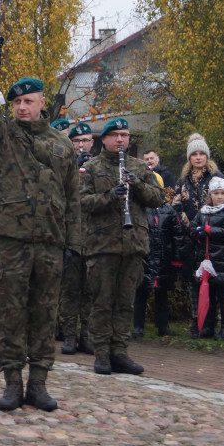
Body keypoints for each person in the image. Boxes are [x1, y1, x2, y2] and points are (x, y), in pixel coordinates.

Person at [0, 38, 81, 412]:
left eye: (27, 101)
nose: (20, 107)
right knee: (12, 313)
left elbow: (73, 199)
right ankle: (13, 382)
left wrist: (74, 243)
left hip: (50, 243)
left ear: (41, 103)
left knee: (45, 315)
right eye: (16, 102)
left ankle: (39, 383)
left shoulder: (63, 146)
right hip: (13, 241)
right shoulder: (2, 135)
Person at [81, 117, 165, 373]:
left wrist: (136, 184)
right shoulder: (92, 167)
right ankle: (102, 354)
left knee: (125, 302)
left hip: (133, 244)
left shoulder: (140, 167)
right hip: (103, 245)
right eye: (115, 135)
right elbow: (82, 201)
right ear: (104, 139)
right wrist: (109, 196)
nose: (120, 139)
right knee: (103, 301)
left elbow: (158, 199)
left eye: (124, 135)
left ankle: (120, 352)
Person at [173, 133, 224, 335]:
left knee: (213, 280)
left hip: (212, 236)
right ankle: (197, 320)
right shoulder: (183, 180)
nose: (198, 157)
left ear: (207, 156)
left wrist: (204, 226)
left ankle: (212, 322)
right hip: (190, 238)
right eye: (194, 153)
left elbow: (222, 204)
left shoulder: (216, 178)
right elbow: (176, 205)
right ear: (189, 157)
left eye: (201, 153)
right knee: (193, 281)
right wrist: (189, 227)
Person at [60, 123, 95, 355]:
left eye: (85, 140)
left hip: (95, 238)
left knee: (91, 291)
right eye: (77, 141)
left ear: (93, 143)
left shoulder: (100, 166)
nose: (81, 145)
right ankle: (69, 336)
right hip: (70, 236)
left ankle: (88, 336)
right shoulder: (62, 166)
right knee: (70, 291)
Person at [188, 176, 224, 339]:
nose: (219, 196)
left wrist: (207, 230)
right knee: (207, 294)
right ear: (210, 194)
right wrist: (196, 234)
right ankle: (207, 327)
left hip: (221, 259)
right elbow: (193, 226)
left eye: (222, 193)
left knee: (222, 295)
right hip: (204, 259)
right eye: (216, 193)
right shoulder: (203, 211)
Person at [133, 184, 181, 338]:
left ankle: (163, 326)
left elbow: (177, 236)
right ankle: (138, 327)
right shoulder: (140, 208)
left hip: (163, 259)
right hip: (144, 259)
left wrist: (176, 259)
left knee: (162, 294)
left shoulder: (169, 210)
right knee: (141, 293)